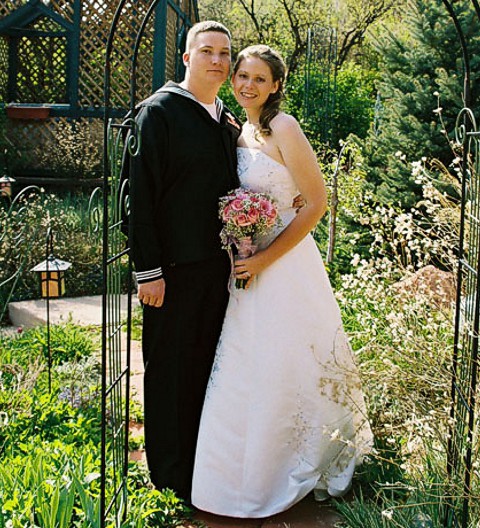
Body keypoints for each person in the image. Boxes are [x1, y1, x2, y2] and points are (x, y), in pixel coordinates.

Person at [191, 45, 373, 518]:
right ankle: (236, 474)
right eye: (242, 76)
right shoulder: (238, 129)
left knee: (289, 361)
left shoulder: (283, 127)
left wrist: (267, 258)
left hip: (285, 264)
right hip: (247, 262)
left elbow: (315, 203)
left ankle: (301, 462)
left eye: (259, 78)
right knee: (246, 365)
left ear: (275, 86)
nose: (247, 85)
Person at [127, 21, 242, 503]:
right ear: (186, 57)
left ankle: (200, 468)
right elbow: (140, 196)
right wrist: (148, 271)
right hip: (171, 273)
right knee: (170, 372)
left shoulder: (225, 119)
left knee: (204, 369)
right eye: (207, 51)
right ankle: (168, 477)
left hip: (217, 271)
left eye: (224, 53)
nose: (217, 61)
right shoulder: (160, 112)